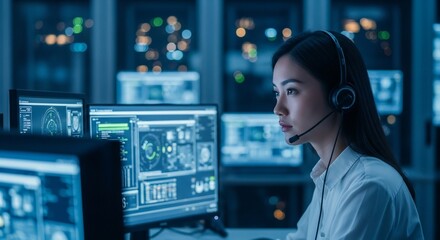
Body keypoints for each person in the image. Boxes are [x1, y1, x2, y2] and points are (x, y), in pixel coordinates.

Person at [272, 30, 424, 240]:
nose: (278, 108)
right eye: (276, 93)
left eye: (291, 91)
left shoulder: (368, 185)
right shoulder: (331, 177)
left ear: (340, 96)